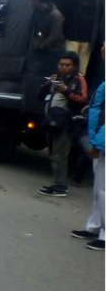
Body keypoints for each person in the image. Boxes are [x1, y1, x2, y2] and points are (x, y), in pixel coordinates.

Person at [37, 51, 88, 197]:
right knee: (53, 154)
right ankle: (56, 184)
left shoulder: (78, 80)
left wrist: (66, 91)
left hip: (65, 124)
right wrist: (47, 84)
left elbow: (82, 99)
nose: (64, 67)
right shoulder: (57, 78)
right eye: (61, 64)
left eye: (67, 65)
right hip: (51, 121)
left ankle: (60, 187)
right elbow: (39, 96)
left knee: (60, 155)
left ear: (74, 66)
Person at [71, 46, 105, 251]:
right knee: (97, 190)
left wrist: (96, 143)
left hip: (102, 143)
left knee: (104, 190)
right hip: (99, 141)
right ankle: (94, 227)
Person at [68, 0, 104, 75]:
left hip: (88, 39)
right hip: (73, 36)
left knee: (81, 72)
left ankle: (78, 92)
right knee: (68, 67)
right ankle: (64, 91)